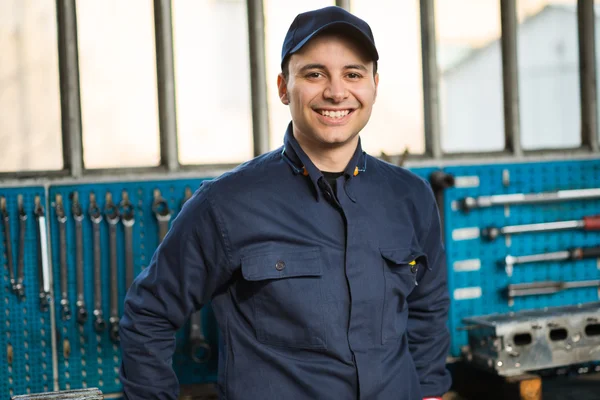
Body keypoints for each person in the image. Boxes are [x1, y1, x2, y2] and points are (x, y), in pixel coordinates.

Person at [119, 5, 451, 400]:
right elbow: (148, 314)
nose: (336, 91)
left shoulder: (411, 197)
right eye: (314, 74)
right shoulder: (226, 204)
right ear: (282, 87)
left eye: (353, 74)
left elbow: (427, 310)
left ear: (374, 85)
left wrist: (429, 393)